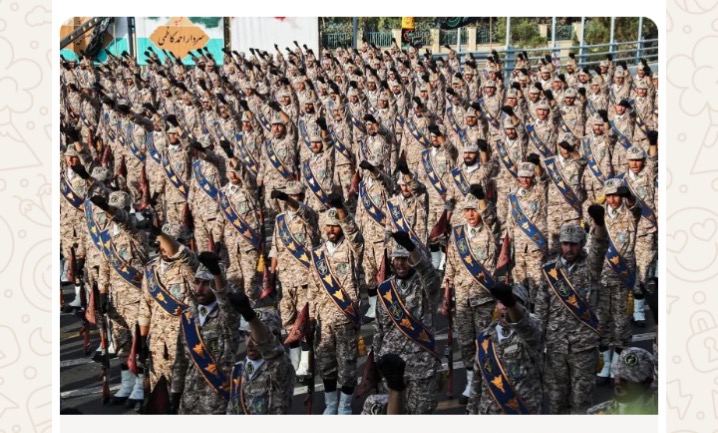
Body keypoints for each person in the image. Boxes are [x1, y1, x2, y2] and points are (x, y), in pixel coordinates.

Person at [534, 216, 609, 414]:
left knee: (581, 402)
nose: (569, 249)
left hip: (583, 346)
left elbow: (600, 247)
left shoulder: (591, 268)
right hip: (556, 346)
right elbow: (541, 309)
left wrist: (599, 224)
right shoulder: (549, 271)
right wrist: (539, 343)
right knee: (557, 400)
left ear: (581, 244)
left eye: (573, 244)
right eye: (565, 244)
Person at [371, 231, 442, 414]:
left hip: (421, 367)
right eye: (397, 259)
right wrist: (377, 363)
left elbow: (428, 274)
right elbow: (379, 329)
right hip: (393, 367)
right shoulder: (385, 289)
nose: (401, 263)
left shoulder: (424, 286)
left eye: (405, 258)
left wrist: (411, 248)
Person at [307, 194, 364, 414]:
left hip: (345, 317)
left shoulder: (351, 248)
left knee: (347, 364)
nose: (332, 230)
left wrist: (341, 209)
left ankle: (344, 406)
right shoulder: (317, 254)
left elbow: (353, 232)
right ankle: (331, 405)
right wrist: (311, 317)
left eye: (335, 226)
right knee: (326, 364)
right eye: (329, 226)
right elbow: (313, 288)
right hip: (324, 320)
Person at [442, 185, 499, 405]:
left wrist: (482, 199)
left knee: (484, 340)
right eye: (467, 210)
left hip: (483, 297)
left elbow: (490, 215)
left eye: (474, 210)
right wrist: (446, 295)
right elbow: (450, 266)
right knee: (465, 342)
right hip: (462, 298)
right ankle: (470, 383)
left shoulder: (489, 229)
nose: (471, 214)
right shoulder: (457, 234)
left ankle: (486, 379)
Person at [171, 252, 241, 414]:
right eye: (197, 282)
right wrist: (175, 393)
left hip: (217, 398)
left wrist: (216, 273)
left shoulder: (227, 315)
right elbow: (181, 360)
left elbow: (224, 297)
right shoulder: (188, 317)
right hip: (189, 399)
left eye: (206, 284)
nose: (199, 289)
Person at [268, 181, 320, 378]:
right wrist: (272, 273)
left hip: (305, 279)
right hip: (285, 279)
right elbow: (275, 247)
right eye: (290, 195)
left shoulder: (309, 215)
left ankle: (305, 364)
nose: (293, 199)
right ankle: (294, 362)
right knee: (288, 323)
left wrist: (285, 198)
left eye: (297, 195)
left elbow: (301, 209)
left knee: (303, 322)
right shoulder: (279, 219)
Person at [467, 283, 542, 414]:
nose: (505, 307)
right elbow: (477, 382)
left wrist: (511, 303)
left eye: (514, 302)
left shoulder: (531, 331)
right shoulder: (485, 337)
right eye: (501, 302)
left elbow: (524, 324)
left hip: (521, 410)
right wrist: (471, 412)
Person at [226, 293, 296, 414]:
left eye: (254, 335)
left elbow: (271, 350)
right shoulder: (238, 370)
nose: (249, 342)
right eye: (247, 335)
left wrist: (250, 316)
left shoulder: (280, 367)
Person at [587, 347, 657, 414]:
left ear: (647, 382)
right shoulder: (596, 414)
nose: (619, 381)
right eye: (618, 373)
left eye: (629, 377)